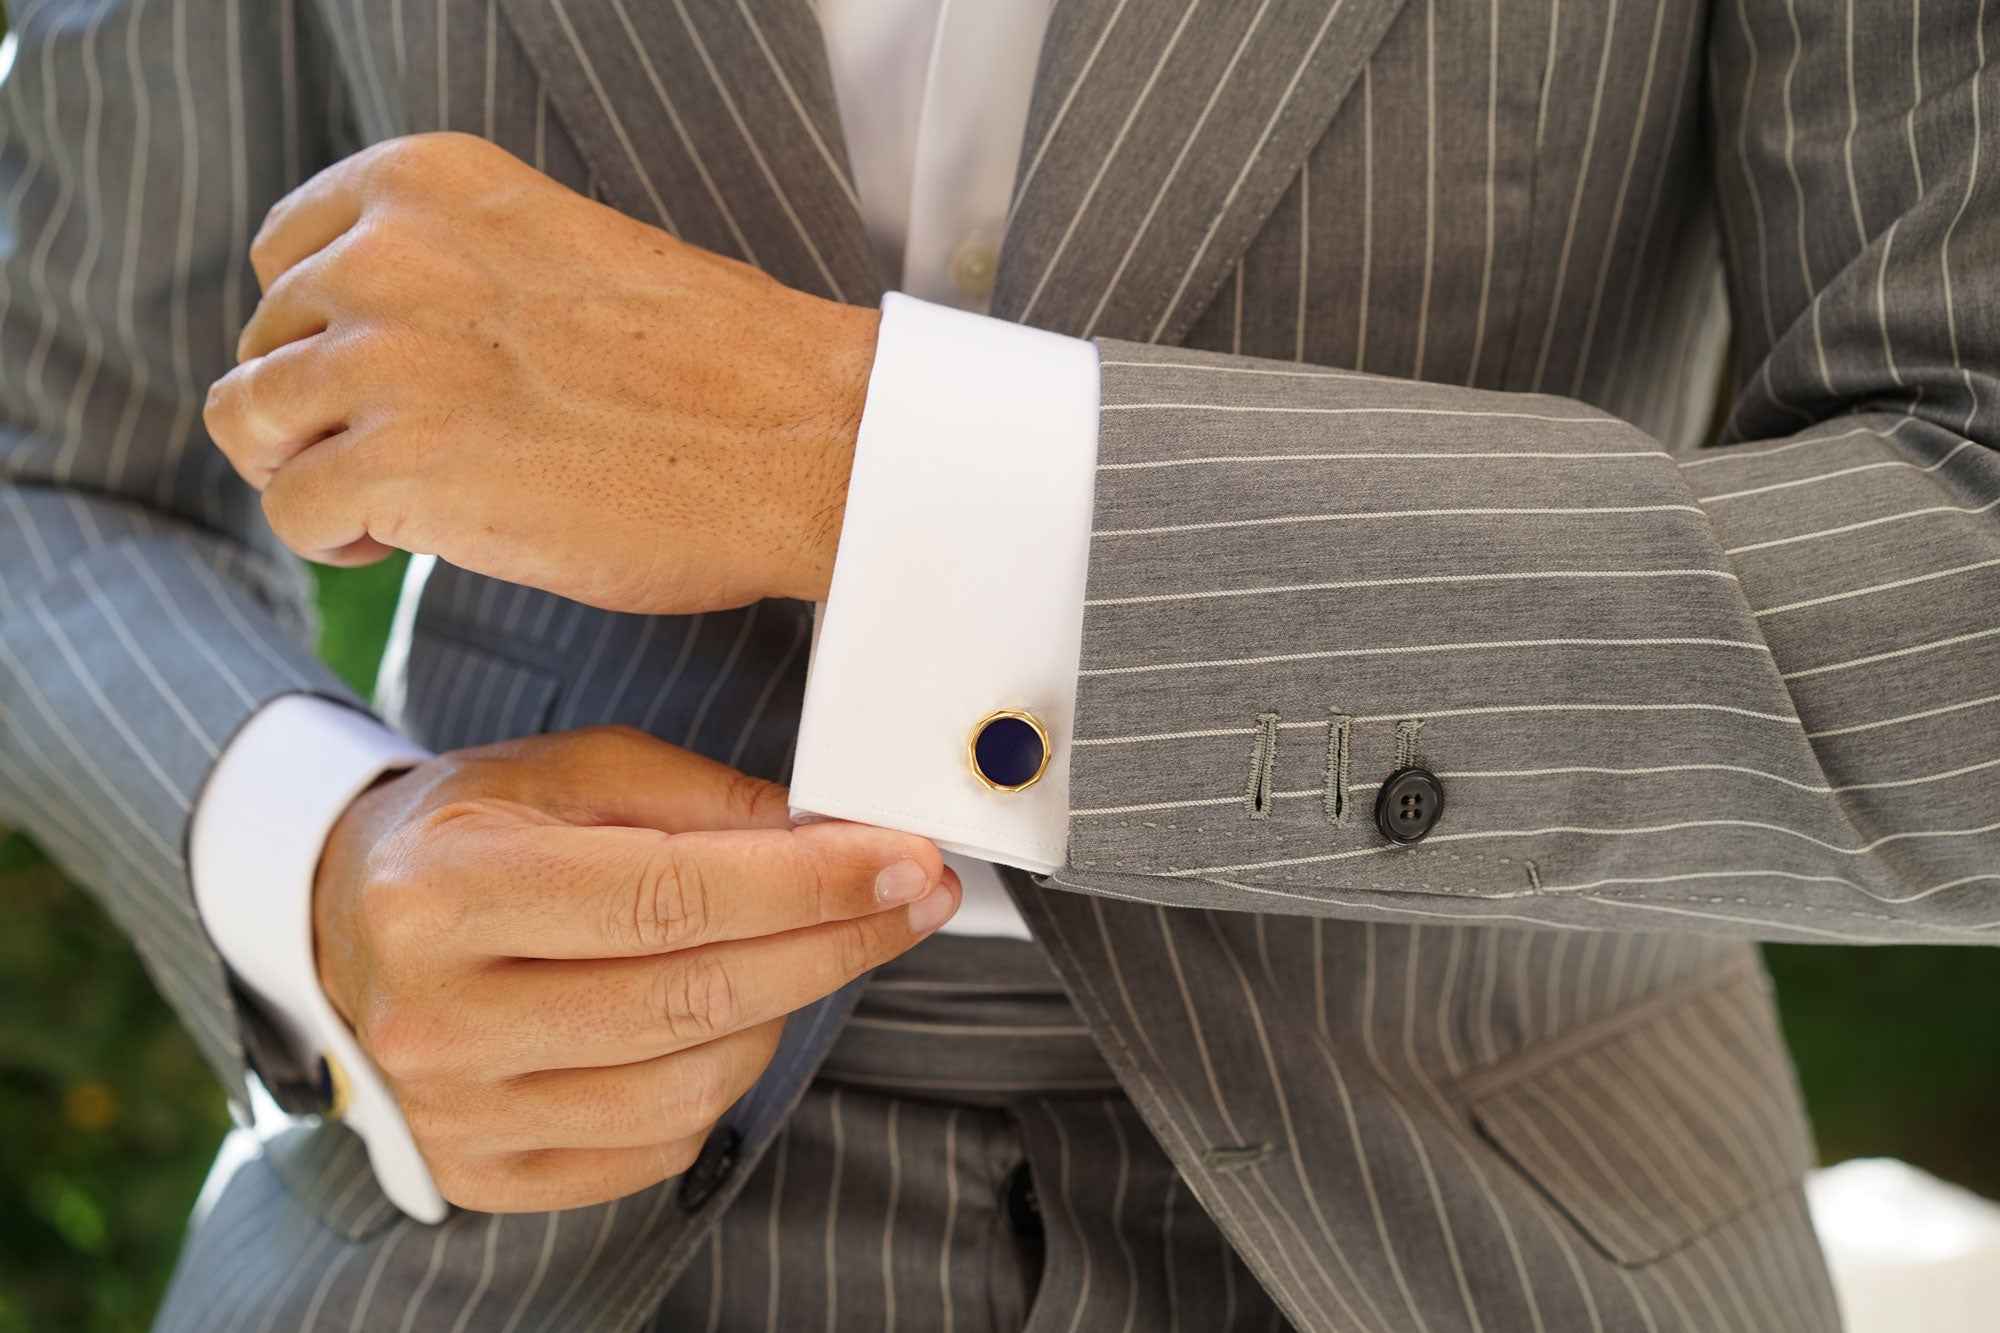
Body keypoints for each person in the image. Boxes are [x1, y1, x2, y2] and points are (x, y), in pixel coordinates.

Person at [3, 0, 1995, 1328]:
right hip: (495, 1233)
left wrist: (854, 460)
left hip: (1493, 1221)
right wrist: (314, 865)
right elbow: (48, 463)